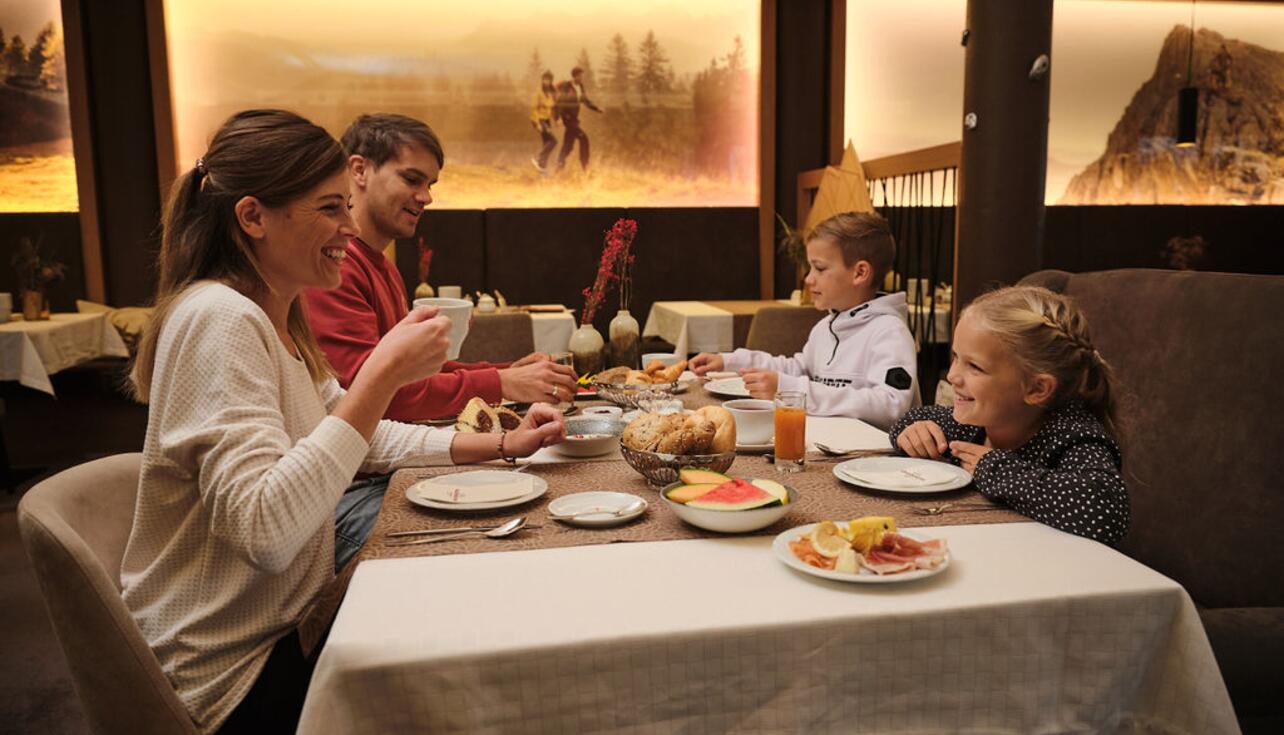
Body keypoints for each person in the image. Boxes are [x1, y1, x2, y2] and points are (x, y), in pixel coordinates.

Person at [122, 109, 564, 734]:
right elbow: (266, 532)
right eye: (330, 208)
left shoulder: (276, 315)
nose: (349, 226)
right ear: (253, 217)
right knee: (482, 670)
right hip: (232, 675)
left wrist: (499, 444)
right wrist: (382, 375)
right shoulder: (219, 319)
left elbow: (354, 431)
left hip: (289, 627)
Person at [302, 113, 578, 422]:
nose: (427, 197)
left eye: (430, 184)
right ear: (359, 170)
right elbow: (370, 394)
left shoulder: (382, 266)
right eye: (411, 179)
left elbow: (407, 371)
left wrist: (507, 373)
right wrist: (501, 383)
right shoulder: (337, 268)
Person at [890, 285, 1129, 545]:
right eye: (956, 357)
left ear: (1037, 388)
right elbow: (915, 419)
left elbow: (1104, 510)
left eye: (975, 367)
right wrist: (914, 434)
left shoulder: (1071, 434)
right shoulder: (975, 424)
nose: (952, 375)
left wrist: (995, 469)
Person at [690, 211, 918, 430]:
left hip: (875, 459)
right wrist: (730, 361)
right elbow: (797, 369)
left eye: (819, 268)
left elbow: (891, 405)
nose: (808, 278)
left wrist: (793, 390)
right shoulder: (824, 328)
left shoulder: (889, 332)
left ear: (859, 273)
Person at [554, 66, 602, 172]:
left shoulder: (580, 86)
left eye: (582, 76)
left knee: (568, 146)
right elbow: (559, 102)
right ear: (575, 76)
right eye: (580, 76)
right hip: (567, 119)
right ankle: (585, 166)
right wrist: (558, 118)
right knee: (584, 139)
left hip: (574, 120)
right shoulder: (567, 86)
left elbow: (585, 100)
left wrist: (596, 108)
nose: (581, 78)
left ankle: (559, 167)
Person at [530, 70, 558, 173]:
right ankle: (539, 159)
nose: (546, 81)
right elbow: (533, 109)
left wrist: (556, 120)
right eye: (544, 79)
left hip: (547, 121)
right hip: (538, 120)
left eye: (548, 80)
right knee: (553, 141)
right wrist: (537, 123)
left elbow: (552, 109)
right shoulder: (538, 92)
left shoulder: (551, 94)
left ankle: (542, 167)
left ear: (551, 81)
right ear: (542, 80)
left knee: (546, 143)